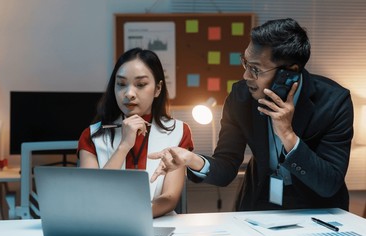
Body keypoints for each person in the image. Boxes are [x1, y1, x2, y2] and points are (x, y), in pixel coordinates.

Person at [149, 18, 353, 211]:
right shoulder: (241, 97)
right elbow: (226, 168)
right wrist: (191, 159)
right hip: (260, 202)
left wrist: (288, 135)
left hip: (320, 208)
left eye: (255, 69)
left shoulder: (334, 102)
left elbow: (329, 183)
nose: (245, 76)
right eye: (245, 63)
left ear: (289, 72)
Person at [78, 48, 194, 218]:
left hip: (157, 222)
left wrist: (134, 216)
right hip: (104, 224)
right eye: (121, 84)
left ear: (158, 89)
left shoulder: (179, 131)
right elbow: (92, 195)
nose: (129, 94)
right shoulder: (92, 135)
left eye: (140, 85)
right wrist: (124, 146)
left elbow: (169, 197)